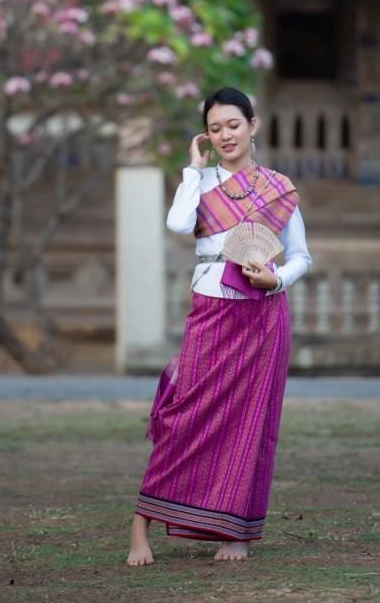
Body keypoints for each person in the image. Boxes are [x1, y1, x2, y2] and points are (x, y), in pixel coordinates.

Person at [127, 86, 312, 565]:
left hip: (263, 313)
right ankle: (141, 522)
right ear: (206, 136)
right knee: (184, 410)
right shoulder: (201, 181)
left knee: (253, 422)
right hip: (212, 305)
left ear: (254, 125)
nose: (225, 135)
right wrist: (192, 169)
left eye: (233, 124)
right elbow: (176, 224)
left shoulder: (279, 188)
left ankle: (237, 532)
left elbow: (301, 257)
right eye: (214, 129)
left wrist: (275, 279)